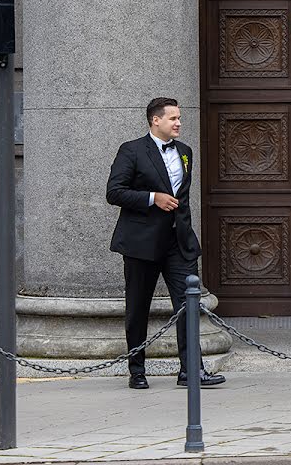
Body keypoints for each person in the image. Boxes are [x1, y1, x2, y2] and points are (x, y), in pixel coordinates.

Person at [106, 97, 225, 390]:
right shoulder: (131, 151)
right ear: (155, 120)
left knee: (188, 305)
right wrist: (152, 198)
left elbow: (181, 198)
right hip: (141, 243)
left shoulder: (185, 152)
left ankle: (191, 370)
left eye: (179, 118)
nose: (178, 123)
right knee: (138, 308)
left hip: (178, 243)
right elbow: (115, 192)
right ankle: (137, 370)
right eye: (172, 118)